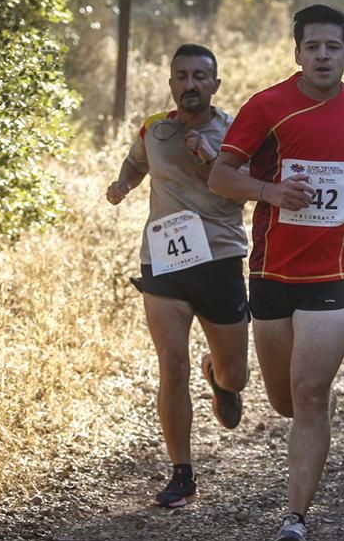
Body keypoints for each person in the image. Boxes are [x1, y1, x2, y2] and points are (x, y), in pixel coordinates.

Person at [208, 4, 344, 541]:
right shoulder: (266, 107)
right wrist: (268, 192)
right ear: (297, 53)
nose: (322, 55)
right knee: (284, 401)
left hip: (336, 273)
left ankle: (294, 522)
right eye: (311, 46)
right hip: (272, 271)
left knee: (311, 393)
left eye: (332, 47)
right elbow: (221, 176)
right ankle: (226, 375)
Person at [105, 44, 249, 509]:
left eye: (200, 76)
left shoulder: (236, 132)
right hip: (164, 260)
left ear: (215, 84)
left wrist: (211, 158)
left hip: (220, 259)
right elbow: (136, 161)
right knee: (171, 364)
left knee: (237, 375)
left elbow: (247, 189)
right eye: (182, 76)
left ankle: (220, 380)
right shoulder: (154, 129)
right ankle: (181, 473)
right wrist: (124, 184)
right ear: (171, 84)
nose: (190, 84)